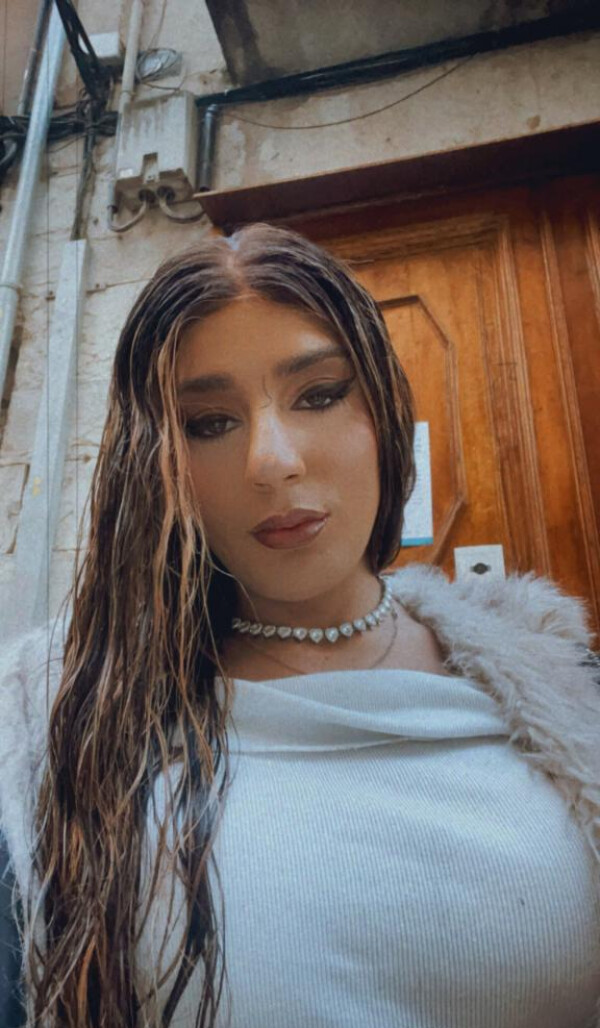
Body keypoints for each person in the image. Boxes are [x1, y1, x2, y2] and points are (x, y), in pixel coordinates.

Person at [0, 223, 600, 1028]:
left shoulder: (568, 691)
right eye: (209, 422)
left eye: (318, 395)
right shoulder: (59, 734)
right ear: (158, 465)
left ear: (383, 408)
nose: (272, 459)